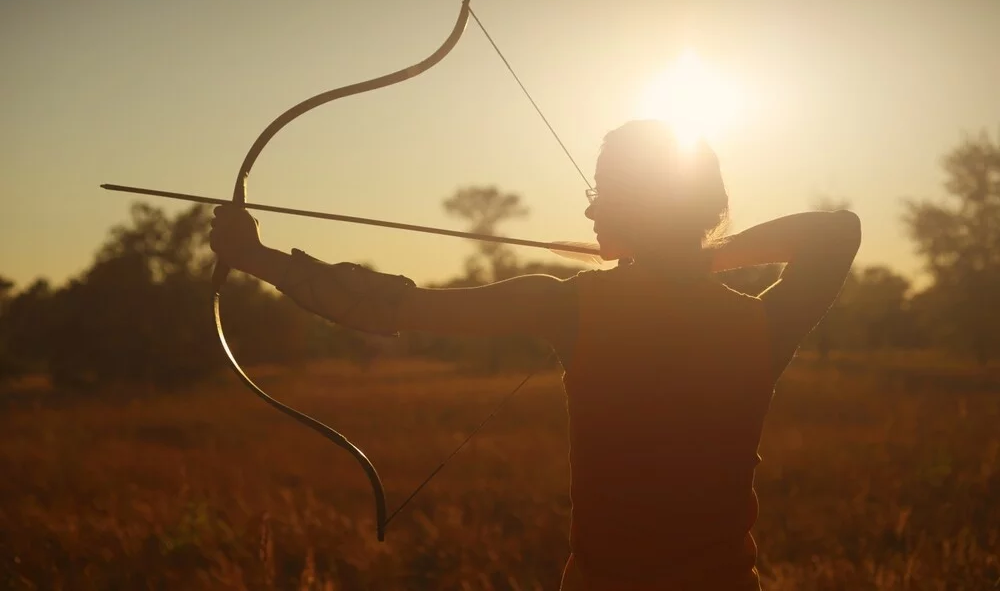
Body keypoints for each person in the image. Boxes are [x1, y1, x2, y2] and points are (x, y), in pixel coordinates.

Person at [210, 119, 861, 590]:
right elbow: (837, 233)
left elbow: (388, 307)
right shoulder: (759, 326)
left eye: (604, 193)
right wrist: (686, 256)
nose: (592, 211)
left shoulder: (568, 306)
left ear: (637, 205)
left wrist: (254, 258)